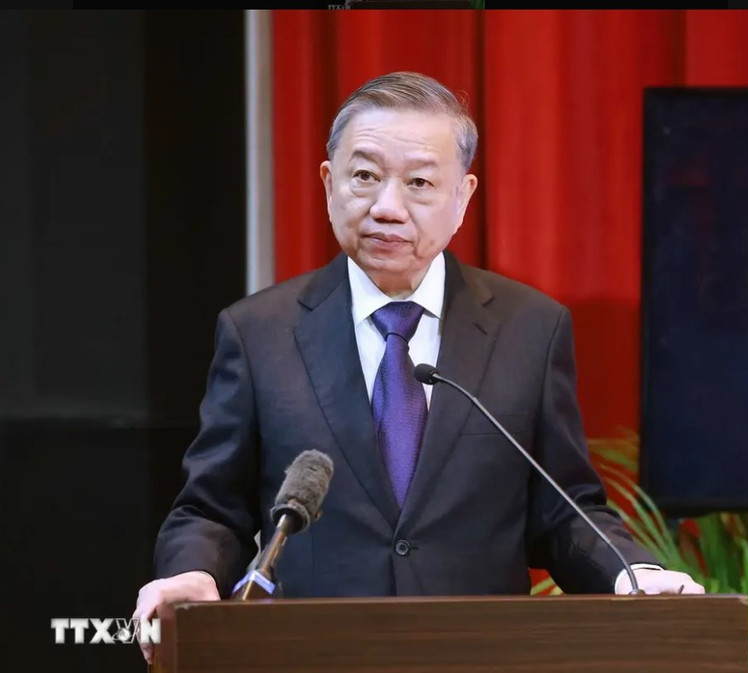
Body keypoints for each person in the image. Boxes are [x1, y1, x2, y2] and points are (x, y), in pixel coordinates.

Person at [133, 71, 703, 664]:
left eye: (420, 183)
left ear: (463, 197)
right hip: (313, 656)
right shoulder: (258, 333)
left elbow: (565, 508)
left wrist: (633, 573)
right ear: (329, 184)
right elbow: (211, 507)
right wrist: (191, 572)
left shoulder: (529, 328)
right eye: (364, 176)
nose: (387, 207)